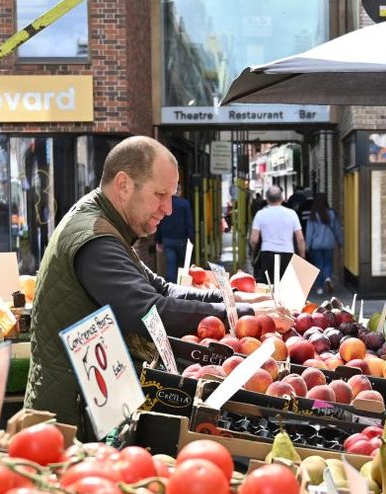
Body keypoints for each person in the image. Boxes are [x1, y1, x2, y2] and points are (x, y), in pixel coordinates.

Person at [24, 136, 260, 437]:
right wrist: (242, 317)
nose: (169, 208)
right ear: (123, 185)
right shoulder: (95, 239)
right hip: (72, 418)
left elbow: (161, 289)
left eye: (171, 196)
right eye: (160, 194)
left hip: (91, 404)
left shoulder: (104, 224)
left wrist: (235, 303)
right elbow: (148, 310)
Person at [251, 185, 306, 283]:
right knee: (286, 287)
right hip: (287, 254)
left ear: (267, 199)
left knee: (268, 287)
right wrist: (302, 257)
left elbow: (254, 240)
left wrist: (254, 252)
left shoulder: (260, 214)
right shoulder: (291, 214)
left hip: (267, 254)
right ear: (282, 199)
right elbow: (300, 239)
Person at [305, 192, 343, 295]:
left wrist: (307, 245)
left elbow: (309, 232)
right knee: (328, 263)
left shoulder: (313, 215)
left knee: (319, 265)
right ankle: (327, 277)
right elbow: (337, 229)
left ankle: (320, 287)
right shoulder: (332, 213)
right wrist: (340, 241)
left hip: (316, 244)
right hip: (329, 243)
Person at [154, 184, 194, 282]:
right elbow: (189, 223)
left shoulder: (163, 204)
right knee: (183, 266)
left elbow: (159, 222)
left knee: (170, 265)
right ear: (179, 191)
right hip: (181, 239)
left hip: (167, 239)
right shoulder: (185, 204)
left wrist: (158, 240)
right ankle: (182, 287)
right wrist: (191, 238)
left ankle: (171, 288)